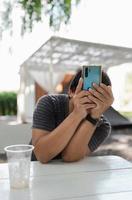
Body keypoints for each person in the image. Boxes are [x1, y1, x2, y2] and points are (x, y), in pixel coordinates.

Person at [31, 69, 114, 163]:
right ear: (71, 91)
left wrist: (93, 117)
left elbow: (69, 157)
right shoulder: (49, 103)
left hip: (71, 173)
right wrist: (77, 114)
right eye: (87, 93)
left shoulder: (102, 126)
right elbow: (41, 155)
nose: (92, 100)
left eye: (99, 97)